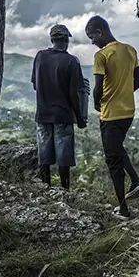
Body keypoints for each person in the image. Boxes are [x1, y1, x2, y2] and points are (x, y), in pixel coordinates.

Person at [85, 15, 139, 220]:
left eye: (92, 37)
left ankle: (123, 209)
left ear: (100, 32)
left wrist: (96, 103)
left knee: (113, 160)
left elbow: (97, 87)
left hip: (110, 114)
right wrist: (124, 92)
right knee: (117, 149)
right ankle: (136, 180)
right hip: (128, 112)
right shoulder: (130, 50)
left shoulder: (102, 55)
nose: (92, 42)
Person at [30, 24, 87, 190]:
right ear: (66, 40)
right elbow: (75, 94)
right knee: (64, 155)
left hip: (43, 113)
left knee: (44, 153)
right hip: (62, 115)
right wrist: (79, 118)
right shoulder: (71, 61)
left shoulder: (40, 56)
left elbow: (35, 85)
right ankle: (64, 190)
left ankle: (45, 188)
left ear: (52, 39)